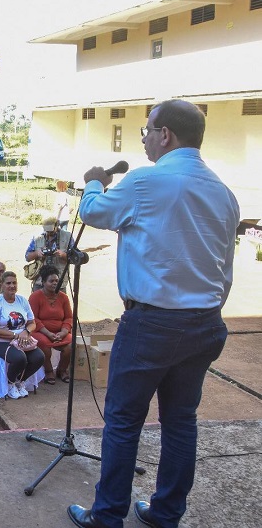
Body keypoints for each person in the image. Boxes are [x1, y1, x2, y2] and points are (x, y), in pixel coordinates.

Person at [68, 99, 239, 528]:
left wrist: (92, 182)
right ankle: (165, 514)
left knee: (124, 422)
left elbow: (92, 211)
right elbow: (226, 271)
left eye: (147, 130)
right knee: (180, 422)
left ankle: (107, 516)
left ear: (166, 135)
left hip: (152, 324)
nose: (143, 137)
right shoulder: (224, 192)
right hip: (205, 323)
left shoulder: (147, 183)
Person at [0, 271, 43, 400]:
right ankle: (9, 383)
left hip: (21, 338)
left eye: (14, 283)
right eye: (8, 283)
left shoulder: (22, 300)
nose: (12, 286)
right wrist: (15, 335)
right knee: (19, 358)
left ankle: (19, 381)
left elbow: (32, 323)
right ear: (2, 285)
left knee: (39, 357)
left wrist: (26, 332)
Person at [28, 265, 73, 385]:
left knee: (69, 345)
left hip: (60, 332)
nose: (54, 283)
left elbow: (69, 317)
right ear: (43, 282)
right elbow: (33, 319)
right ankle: (48, 371)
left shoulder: (63, 297)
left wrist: (64, 332)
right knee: (44, 345)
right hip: (40, 331)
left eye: (56, 281)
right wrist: (48, 333)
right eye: (51, 281)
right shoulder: (35, 297)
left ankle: (62, 370)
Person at [25, 216, 72, 293]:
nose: (49, 233)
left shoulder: (67, 237)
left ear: (57, 226)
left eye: (51, 231)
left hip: (59, 282)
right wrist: (37, 253)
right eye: (47, 231)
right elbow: (27, 257)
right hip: (40, 281)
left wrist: (63, 255)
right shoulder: (37, 237)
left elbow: (75, 259)